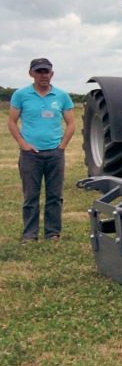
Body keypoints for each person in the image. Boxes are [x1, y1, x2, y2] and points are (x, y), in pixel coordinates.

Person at [6, 58, 75, 243]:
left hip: (54, 153)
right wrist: (22, 143)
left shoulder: (61, 96)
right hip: (30, 155)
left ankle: (52, 233)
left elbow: (71, 123)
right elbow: (12, 121)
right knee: (31, 196)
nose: (43, 75)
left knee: (54, 195)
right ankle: (30, 235)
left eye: (46, 71)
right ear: (31, 73)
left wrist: (62, 147)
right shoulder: (21, 95)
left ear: (52, 73)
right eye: (39, 71)